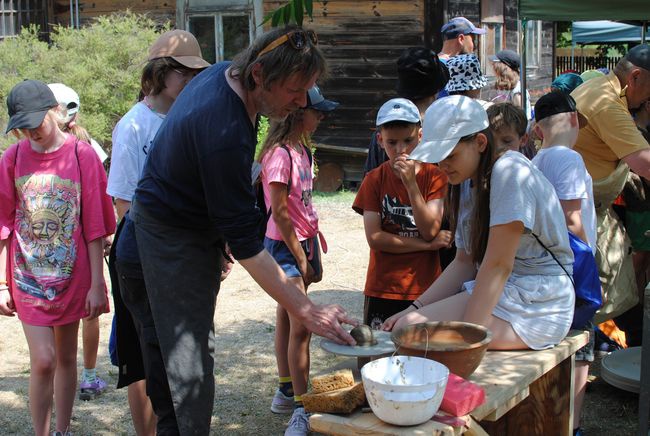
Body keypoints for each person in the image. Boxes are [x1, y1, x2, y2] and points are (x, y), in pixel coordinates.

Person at [117, 26, 355, 435]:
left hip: (172, 243)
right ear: (260, 74)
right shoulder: (223, 127)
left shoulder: (228, 73)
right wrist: (306, 309)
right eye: (295, 90)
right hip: (157, 251)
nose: (301, 103)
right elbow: (248, 243)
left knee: (178, 382)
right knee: (183, 386)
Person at [382, 95, 575, 355]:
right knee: (405, 327)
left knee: (416, 339)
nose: (442, 166)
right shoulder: (465, 180)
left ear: (480, 142)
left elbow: (498, 266)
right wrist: (414, 308)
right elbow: (464, 262)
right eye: (438, 158)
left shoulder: (509, 172)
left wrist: (468, 339)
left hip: (542, 303)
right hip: (508, 292)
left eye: (450, 156)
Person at [107, 29, 210, 436]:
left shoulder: (191, 118)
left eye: (194, 74)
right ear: (162, 73)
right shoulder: (133, 126)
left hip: (184, 254)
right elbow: (124, 203)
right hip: (144, 254)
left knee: (181, 354)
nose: (190, 81)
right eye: (184, 73)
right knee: (148, 354)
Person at [0, 79, 116, 436]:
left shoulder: (82, 155)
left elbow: (95, 224)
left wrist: (98, 284)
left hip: (73, 278)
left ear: (56, 111)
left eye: (36, 120)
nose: (29, 130)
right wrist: (0, 283)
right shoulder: (12, 158)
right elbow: (2, 224)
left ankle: (62, 431)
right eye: (21, 125)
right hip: (26, 278)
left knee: (66, 358)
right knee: (44, 360)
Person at [258, 84, 338, 435]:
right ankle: (302, 409)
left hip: (301, 243)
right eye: (316, 110)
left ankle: (287, 389)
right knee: (303, 323)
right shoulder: (279, 154)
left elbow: (300, 205)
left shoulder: (301, 150)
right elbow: (280, 213)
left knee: (287, 316)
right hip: (284, 246)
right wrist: (299, 259)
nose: (321, 116)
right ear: (297, 112)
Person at [531, 91, 596, 436]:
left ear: (539, 129)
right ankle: (573, 425)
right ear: (573, 120)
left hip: (546, 269)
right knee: (580, 347)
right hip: (571, 269)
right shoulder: (569, 159)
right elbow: (573, 220)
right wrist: (588, 267)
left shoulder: (536, 159)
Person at [571, 44, 650, 330]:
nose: (648, 100)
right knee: (592, 294)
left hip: (589, 206)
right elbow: (646, 164)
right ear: (636, 77)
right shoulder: (606, 102)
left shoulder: (597, 86)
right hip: (580, 212)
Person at [354, 98, 450, 329]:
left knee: (422, 355)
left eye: (408, 141)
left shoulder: (435, 176)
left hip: (425, 287)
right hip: (383, 286)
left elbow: (430, 230)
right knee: (379, 353)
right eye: (392, 143)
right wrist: (427, 246)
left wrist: (411, 185)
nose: (401, 150)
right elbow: (375, 238)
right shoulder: (374, 180)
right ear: (380, 141)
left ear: (420, 136)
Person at [47, 82, 110, 402]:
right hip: (87, 243)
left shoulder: (47, 148)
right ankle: (87, 375)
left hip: (53, 246)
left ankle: (60, 370)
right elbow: (102, 193)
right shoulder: (89, 145)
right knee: (89, 313)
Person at [363, 46, 449, 175]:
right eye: (393, 143)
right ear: (437, 90)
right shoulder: (444, 130)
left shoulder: (384, 132)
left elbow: (369, 179)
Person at [490, 50, 532, 119]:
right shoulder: (504, 86)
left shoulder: (517, 90)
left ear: (502, 68)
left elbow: (519, 114)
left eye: (494, 64)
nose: (492, 67)